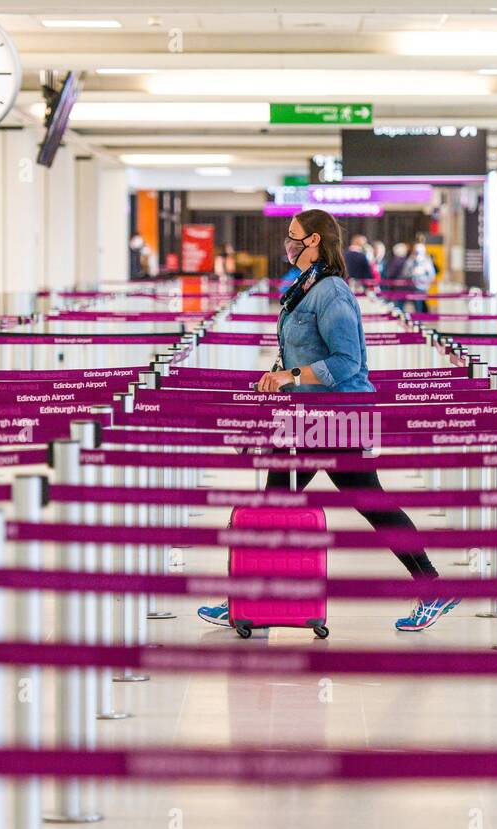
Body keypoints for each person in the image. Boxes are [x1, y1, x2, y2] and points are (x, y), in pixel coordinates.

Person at [197, 208, 461, 633]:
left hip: (337, 414)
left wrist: (291, 376)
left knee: (360, 502)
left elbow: (346, 360)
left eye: (293, 235)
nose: (287, 241)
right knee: (282, 502)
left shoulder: (332, 291)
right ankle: (247, 598)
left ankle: (431, 584)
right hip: (307, 413)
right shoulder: (303, 287)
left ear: (315, 241)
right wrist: (280, 379)